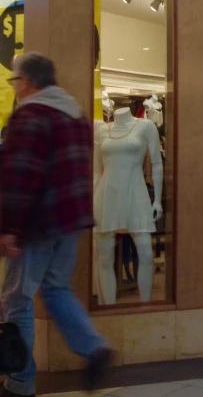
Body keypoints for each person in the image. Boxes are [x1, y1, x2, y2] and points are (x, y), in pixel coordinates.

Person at [0, 53, 112, 396]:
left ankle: (20, 382)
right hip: (71, 221)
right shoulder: (75, 115)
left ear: (28, 81)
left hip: (37, 223)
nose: (16, 88)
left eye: (15, 81)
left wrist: (9, 227)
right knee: (56, 289)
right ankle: (93, 347)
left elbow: (20, 176)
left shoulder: (30, 115)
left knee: (16, 300)